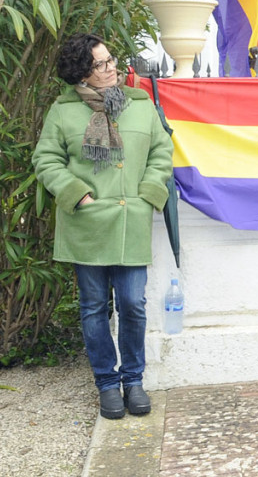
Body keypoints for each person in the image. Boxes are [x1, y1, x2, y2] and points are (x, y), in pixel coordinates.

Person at [33, 33, 173, 420]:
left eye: (111, 60)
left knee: (133, 304)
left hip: (131, 219)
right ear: (82, 71)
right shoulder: (62, 112)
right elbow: (46, 160)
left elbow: (162, 152)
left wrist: (148, 194)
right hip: (87, 224)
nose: (111, 68)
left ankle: (133, 380)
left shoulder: (140, 105)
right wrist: (78, 196)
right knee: (94, 308)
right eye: (100, 64)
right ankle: (107, 385)